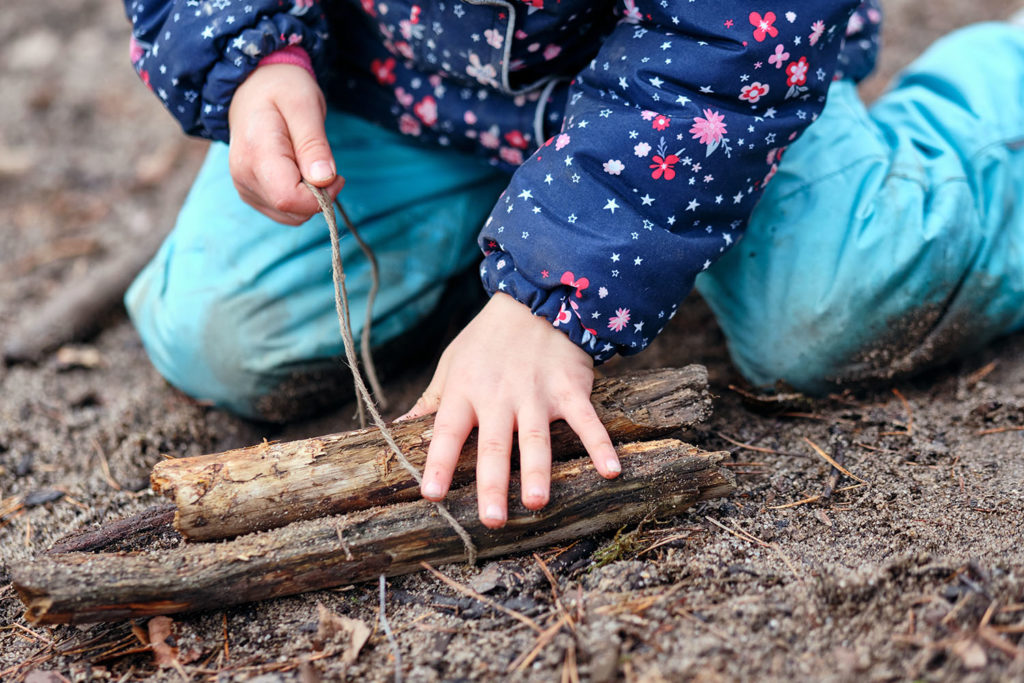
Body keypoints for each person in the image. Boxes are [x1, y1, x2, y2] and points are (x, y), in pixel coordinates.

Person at [122, 0, 1024, 528]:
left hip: (712, 95)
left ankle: (1000, 95)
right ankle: (513, 211)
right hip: (401, 89)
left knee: (832, 307)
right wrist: (253, 54)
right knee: (221, 334)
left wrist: (550, 299)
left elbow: (722, 52)